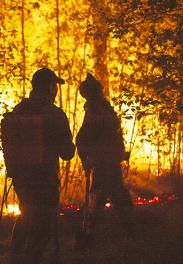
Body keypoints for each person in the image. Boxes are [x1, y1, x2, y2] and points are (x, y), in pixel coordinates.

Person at [3, 68, 75, 263]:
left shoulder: (19, 109)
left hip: (21, 177)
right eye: (55, 85)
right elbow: (67, 153)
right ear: (50, 88)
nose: (56, 90)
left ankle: (15, 256)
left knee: (27, 214)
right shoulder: (54, 114)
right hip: (45, 178)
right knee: (44, 223)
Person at [76, 73, 133, 235]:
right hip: (107, 161)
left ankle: (90, 231)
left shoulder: (97, 110)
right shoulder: (103, 109)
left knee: (102, 195)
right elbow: (87, 137)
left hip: (104, 161)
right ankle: (124, 231)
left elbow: (83, 138)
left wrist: (85, 156)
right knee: (110, 195)